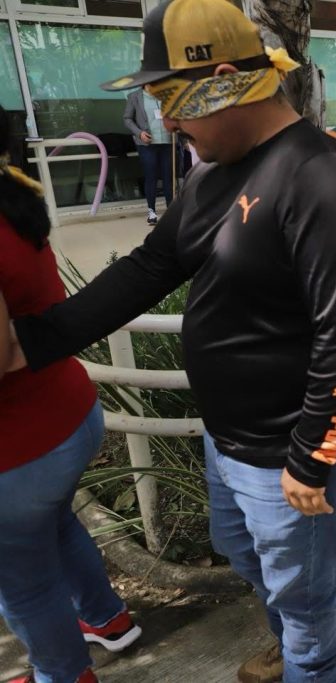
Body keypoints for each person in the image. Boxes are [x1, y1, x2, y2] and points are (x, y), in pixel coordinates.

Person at [8, 1, 336, 681]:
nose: (168, 123)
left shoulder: (321, 180)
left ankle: (314, 660)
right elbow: (151, 266)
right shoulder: (213, 171)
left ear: (228, 81)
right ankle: (296, 638)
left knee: (304, 596)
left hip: (289, 447)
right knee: (244, 553)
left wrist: (314, 457)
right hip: (228, 438)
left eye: (171, 100)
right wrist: (34, 341)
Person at [0, 105, 141, 683]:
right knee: (57, 524)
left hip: (17, 452)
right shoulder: (11, 191)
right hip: (67, 415)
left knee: (24, 586)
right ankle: (107, 619)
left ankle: (63, 675)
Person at [124, 87, 173, 225]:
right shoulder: (135, 96)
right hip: (147, 144)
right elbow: (127, 119)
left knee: (168, 177)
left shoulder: (166, 94)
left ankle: (171, 211)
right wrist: (139, 133)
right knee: (151, 177)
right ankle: (152, 211)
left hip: (168, 142)